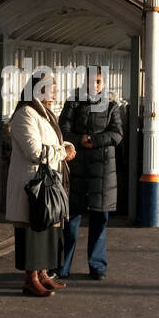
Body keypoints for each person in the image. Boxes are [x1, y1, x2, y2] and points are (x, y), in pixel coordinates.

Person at [6, 67, 77, 296]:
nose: (55, 92)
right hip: (32, 184)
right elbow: (34, 151)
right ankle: (31, 278)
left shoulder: (46, 113)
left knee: (47, 229)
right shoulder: (25, 114)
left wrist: (67, 148)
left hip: (48, 181)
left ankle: (43, 274)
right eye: (50, 88)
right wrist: (61, 152)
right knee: (31, 229)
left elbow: (56, 140)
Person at [58, 66, 123, 280]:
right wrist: (80, 140)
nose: (94, 86)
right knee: (70, 222)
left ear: (102, 83)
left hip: (103, 171)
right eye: (90, 81)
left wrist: (93, 141)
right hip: (77, 169)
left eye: (97, 81)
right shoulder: (73, 103)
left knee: (99, 221)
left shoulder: (112, 105)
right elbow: (63, 128)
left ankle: (97, 266)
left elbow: (117, 134)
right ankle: (63, 266)